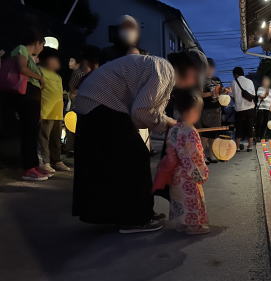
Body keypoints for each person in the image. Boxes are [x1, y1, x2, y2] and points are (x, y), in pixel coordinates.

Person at [73, 52, 202, 233]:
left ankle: (135, 213)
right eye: (195, 76)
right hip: (101, 104)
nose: (194, 82)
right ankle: (135, 219)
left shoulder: (159, 68)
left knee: (115, 160)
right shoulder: (165, 70)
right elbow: (141, 112)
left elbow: (144, 112)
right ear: (187, 70)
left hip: (95, 103)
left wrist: (168, 123)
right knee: (135, 156)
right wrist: (171, 123)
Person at [164, 89, 209, 235]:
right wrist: (201, 173)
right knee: (192, 199)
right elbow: (193, 156)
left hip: (175, 174)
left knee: (179, 199)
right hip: (188, 174)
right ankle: (193, 226)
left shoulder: (173, 129)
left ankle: (181, 224)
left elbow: (170, 150)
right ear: (193, 111)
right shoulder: (190, 132)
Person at [11, 28, 47, 181]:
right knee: (29, 132)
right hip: (26, 97)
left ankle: (33, 165)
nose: (42, 49)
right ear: (37, 43)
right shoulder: (22, 49)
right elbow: (22, 68)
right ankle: (28, 168)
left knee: (33, 131)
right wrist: (40, 78)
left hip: (32, 97)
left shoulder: (30, 55)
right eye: (42, 45)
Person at [37, 47, 71, 174]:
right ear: (45, 60)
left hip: (57, 113)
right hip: (45, 111)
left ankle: (56, 160)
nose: (57, 62)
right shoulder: (38, 72)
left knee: (56, 138)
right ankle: (44, 162)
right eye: (54, 59)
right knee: (44, 138)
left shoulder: (57, 76)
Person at [200, 58, 223, 164]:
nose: (211, 70)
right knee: (205, 135)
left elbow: (221, 92)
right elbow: (198, 95)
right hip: (206, 110)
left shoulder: (217, 79)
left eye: (212, 67)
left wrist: (225, 91)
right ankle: (202, 156)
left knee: (214, 134)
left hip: (217, 110)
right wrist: (211, 93)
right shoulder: (201, 80)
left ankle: (211, 155)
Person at [231, 66, 255, 152]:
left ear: (236, 74)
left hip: (239, 109)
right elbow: (253, 95)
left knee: (239, 128)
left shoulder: (234, 82)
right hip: (250, 108)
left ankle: (237, 147)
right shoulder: (250, 81)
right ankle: (250, 146)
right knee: (250, 127)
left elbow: (233, 96)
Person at [256, 76, 271, 140]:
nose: (266, 82)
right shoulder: (260, 88)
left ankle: (264, 136)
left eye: (267, 81)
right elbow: (260, 97)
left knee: (266, 123)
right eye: (265, 81)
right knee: (260, 123)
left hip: (268, 109)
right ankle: (258, 136)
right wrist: (266, 95)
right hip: (261, 109)